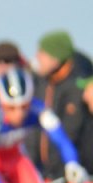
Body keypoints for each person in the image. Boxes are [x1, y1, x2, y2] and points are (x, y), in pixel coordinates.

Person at [31, 31, 93, 175]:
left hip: (79, 173)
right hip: (46, 174)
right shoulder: (40, 83)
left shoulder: (82, 86)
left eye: (42, 52)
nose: (37, 57)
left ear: (56, 57)